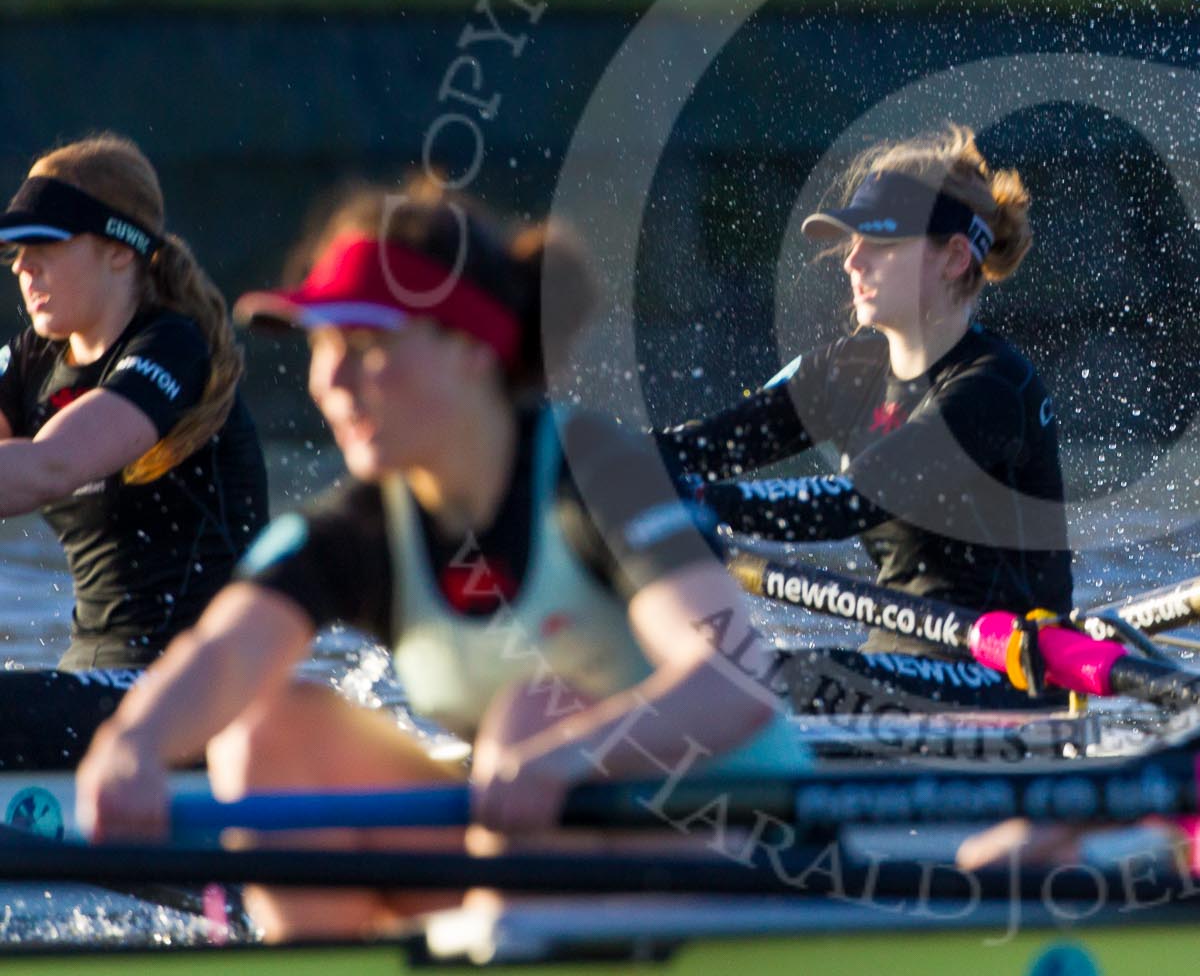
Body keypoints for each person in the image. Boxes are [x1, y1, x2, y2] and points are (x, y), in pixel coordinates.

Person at [76, 180, 806, 940]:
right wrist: (133, 743)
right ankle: (327, 952)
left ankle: (498, 932)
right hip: (542, 865)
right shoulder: (364, 525)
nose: (331, 380)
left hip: (748, 863)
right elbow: (227, 653)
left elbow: (733, 679)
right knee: (264, 731)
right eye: (323, 347)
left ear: (468, 348)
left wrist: (565, 757)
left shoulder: (597, 473)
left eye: (367, 345)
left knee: (531, 712)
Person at [657, 126, 1071, 713]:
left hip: (1007, 677)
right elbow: (703, 446)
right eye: (854, 241)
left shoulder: (993, 387)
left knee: (771, 678)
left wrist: (705, 503)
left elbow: (850, 501)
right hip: (895, 664)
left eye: (884, 243)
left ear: (955, 257)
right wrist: (591, 464)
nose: (853, 261)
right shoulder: (843, 371)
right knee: (686, 670)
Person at [0, 134, 268, 767]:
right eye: (17, 250)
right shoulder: (33, 359)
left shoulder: (171, 348)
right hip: (96, 677)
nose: (20, 267)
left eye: (44, 246)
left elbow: (49, 467)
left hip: (193, 691)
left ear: (119, 252)